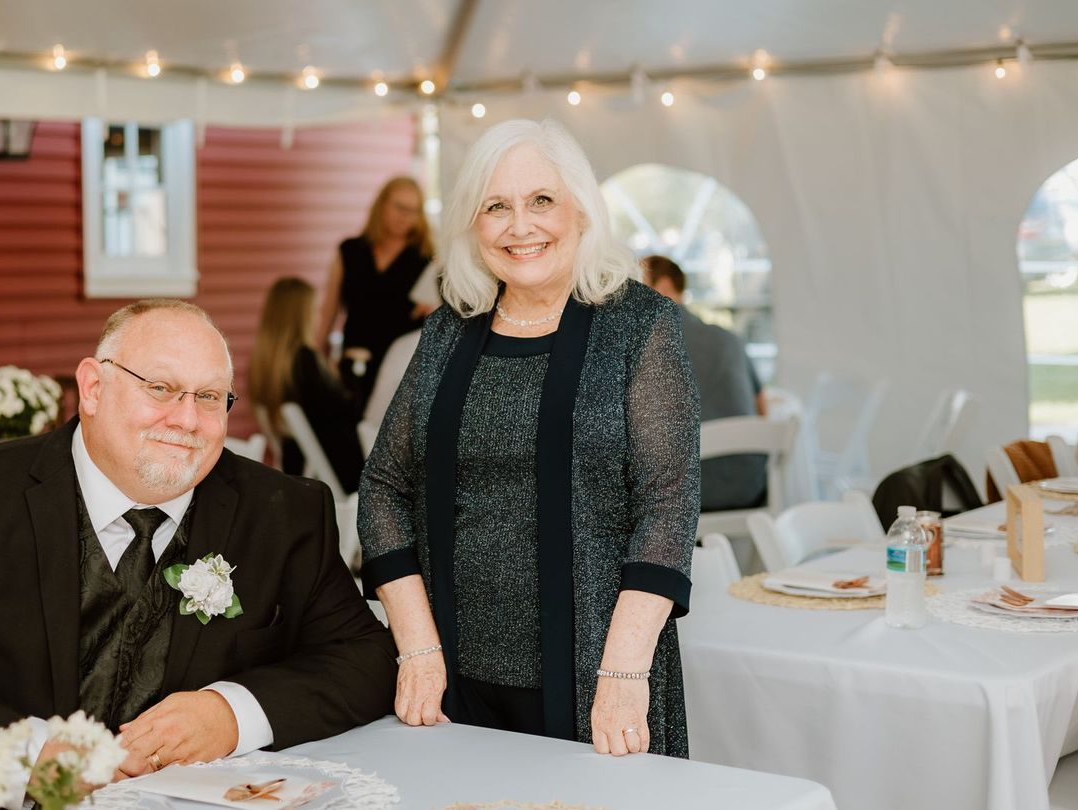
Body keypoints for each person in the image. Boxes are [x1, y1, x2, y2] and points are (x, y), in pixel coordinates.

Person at [0, 300, 396, 808]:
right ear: (94, 388)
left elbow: (363, 659)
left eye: (209, 398)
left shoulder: (284, 510)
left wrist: (232, 713)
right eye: (160, 388)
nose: (186, 420)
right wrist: (28, 755)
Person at [358, 119, 701, 758]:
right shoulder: (448, 332)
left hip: (601, 679)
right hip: (452, 683)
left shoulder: (640, 325)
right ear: (473, 224)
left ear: (580, 209)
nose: (521, 226)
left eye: (541, 200)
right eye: (496, 206)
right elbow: (382, 487)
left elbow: (668, 505)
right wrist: (419, 648)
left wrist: (624, 674)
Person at [642, 255, 768, 511]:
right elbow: (762, 407)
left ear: (664, 287)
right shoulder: (728, 338)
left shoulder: (646, 348)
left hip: (688, 497)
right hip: (749, 484)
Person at [316, 176, 435, 408]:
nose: (405, 217)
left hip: (399, 373)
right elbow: (328, 311)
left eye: (413, 211)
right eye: (400, 207)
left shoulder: (425, 259)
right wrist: (318, 358)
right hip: (352, 364)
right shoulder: (350, 251)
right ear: (382, 204)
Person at [248, 277, 364, 495]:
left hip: (298, 464)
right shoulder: (305, 361)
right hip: (336, 472)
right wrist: (353, 369)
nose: (319, 318)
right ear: (302, 316)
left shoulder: (266, 364)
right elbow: (350, 413)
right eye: (315, 311)